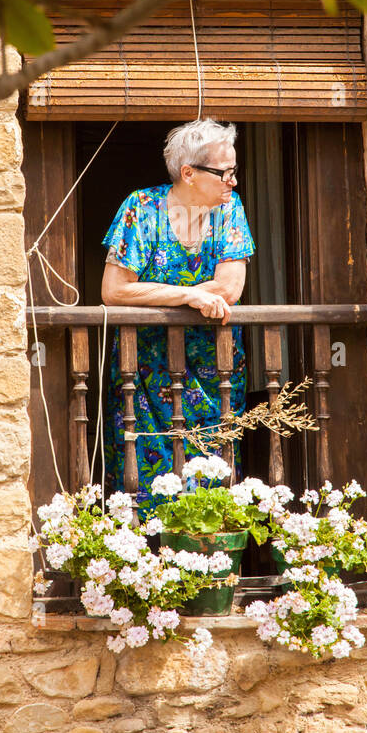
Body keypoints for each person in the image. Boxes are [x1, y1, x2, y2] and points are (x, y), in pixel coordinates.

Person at [101, 118, 255, 511]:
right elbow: (115, 291)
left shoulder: (228, 209)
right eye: (224, 173)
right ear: (189, 173)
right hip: (146, 372)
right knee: (146, 486)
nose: (232, 182)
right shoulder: (141, 208)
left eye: (234, 172)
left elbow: (230, 288)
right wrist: (188, 295)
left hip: (213, 372)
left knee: (212, 485)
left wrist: (155, 294)